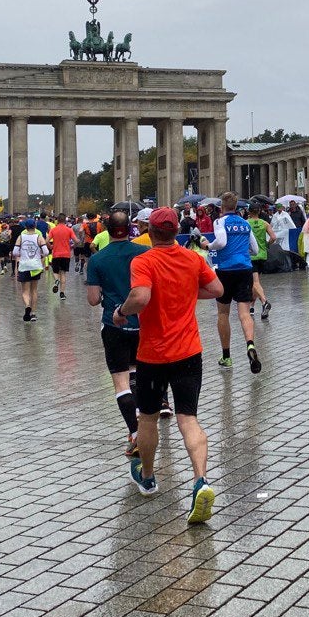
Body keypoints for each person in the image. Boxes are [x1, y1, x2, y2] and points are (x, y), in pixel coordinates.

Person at [116, 207, 224, 523]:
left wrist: (122, 311)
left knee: (147, 419)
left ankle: (148, 478)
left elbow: (141, 296)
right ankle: (201, 480)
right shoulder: (192, 259)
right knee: (188, 419)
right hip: (189, 352)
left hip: (153, 355)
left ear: (150, 231)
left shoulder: (144, 261)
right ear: (176, 230)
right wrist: (189, 293)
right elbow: (217, 290)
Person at [86, 210, 151, 456]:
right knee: (136, 373)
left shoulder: (98, 259)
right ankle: (142, 423)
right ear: (130, 229)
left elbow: (93, 300)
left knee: (120, 381)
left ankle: (135, 434)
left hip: (114, 325)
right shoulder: (143, 253)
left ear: (107, 230)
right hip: (142, 323)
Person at [205, 192, 262, 373]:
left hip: (226, 270)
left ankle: (227, 356)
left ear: (222, 207)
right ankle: (250, 345)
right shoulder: (245, 223)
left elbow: (221, 242)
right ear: (236, 207)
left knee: (223, 313)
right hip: (245, 269)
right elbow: (255, 249)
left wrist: (208, 245)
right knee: (245, 313)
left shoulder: (220, 221)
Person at [13, 222, 48, 321]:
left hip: (24, 266)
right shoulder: (39, 237)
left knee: (25, 291)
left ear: (25, 227)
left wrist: (22, 253)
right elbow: (46, 252)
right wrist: (40, 255)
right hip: (36, 266)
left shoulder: (21, 237)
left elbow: (15, 252)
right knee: (34, 290)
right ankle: (33, 313)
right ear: (35, 226)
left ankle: (27, 305)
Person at [247, 207, 276, 320]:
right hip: (262, 255)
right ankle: (251, 307)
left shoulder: (246, 223)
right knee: (256, 282)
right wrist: (267, 244)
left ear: (249, 212)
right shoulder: (264, 223)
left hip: (251, 255)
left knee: (254, 282)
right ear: (258, 211)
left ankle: (264, 302)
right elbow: (273, 237)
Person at [47, 216, 77, 300]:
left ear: (57, 221)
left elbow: (46, 240)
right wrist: (72, 246)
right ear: (65, 220)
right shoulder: (69, 230)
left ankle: (56, 280)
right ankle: (62, 294)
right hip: (66, 254)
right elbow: (77, 241)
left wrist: (51, 246)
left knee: (55, 271)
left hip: (56, 254)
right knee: (63, 273)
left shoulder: (53, 230)